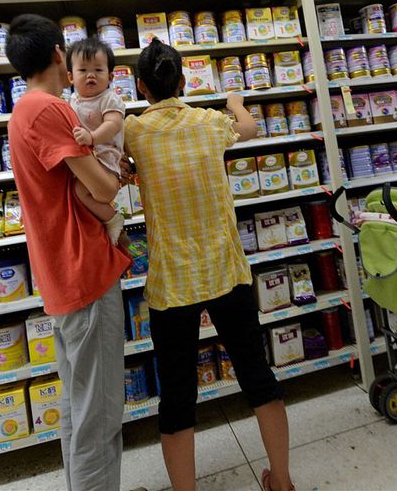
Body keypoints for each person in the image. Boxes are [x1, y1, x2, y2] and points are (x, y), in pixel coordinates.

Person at [123, 39, 295, 491]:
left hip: (171, 282)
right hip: (224, 270)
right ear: (182, 82)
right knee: (257, 376)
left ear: (142, 87)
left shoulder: (134, 130)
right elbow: (250, 129)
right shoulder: (211, 122)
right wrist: (236, 102)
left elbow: (113, 152)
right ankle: (282, 481)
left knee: (178, 398)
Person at [5, 14, 130, 491]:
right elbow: (102, 186)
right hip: (83, 272)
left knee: (80, 407)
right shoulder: (49, 109)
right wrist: (119, 176)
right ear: (60, 53)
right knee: (98, 414)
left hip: (61, 271)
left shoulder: (24, 110)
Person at [67, 37, 126, 245]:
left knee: (80, 192)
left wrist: (92, 137)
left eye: (98, 70)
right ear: (70, 77)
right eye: (83, 70)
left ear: (110, 76)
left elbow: (114, 124)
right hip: (86, 158)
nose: (90, 75)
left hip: (105, 158)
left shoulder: (109, 98)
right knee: (76, 193)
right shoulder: (72, 100)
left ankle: (112, 218)